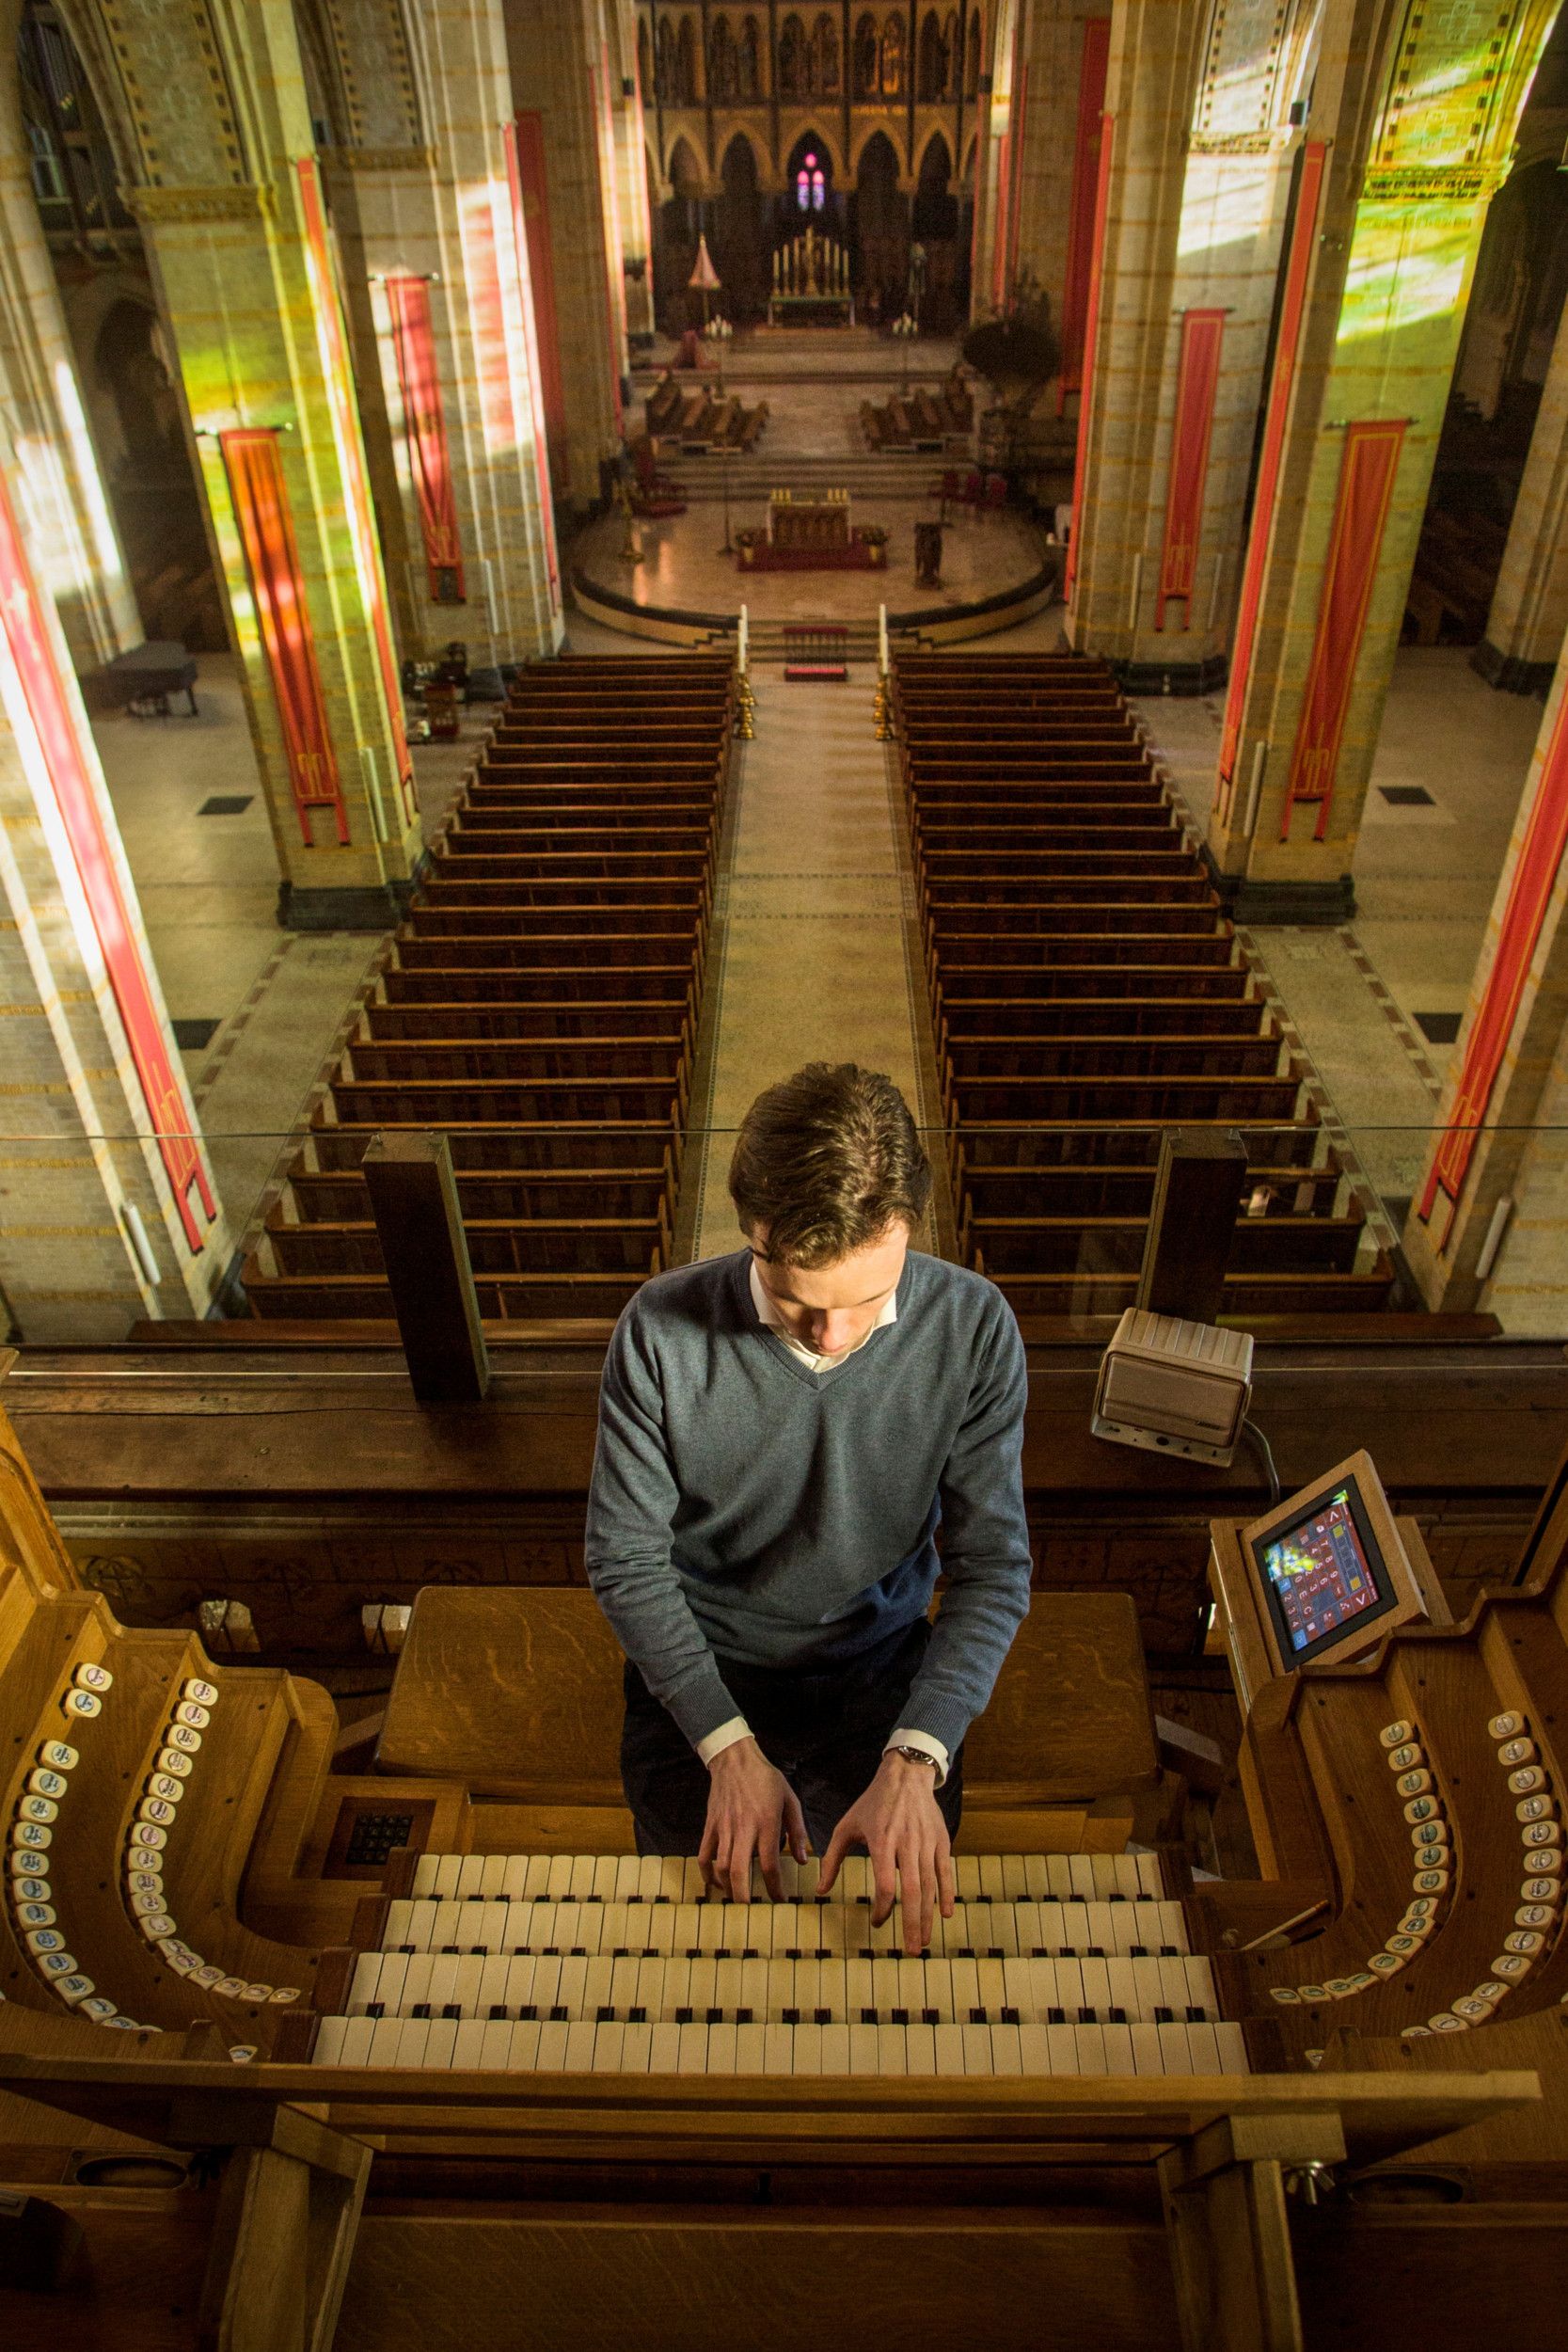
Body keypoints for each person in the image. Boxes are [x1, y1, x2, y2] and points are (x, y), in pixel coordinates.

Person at [585, 1062, 1032, 1955]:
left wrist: (917, 1756)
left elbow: (991, 1568)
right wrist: (725, 1747)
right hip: (700, 1685)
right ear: (751, 1228)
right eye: (794, 1297)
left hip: (880, 1686)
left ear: (910, 1229)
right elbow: (626, 1562)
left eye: (867, 1301)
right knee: (705, 1959)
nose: (829, 1337)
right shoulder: (659, 1329)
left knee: (877, 1958)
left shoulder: (974, 1325)